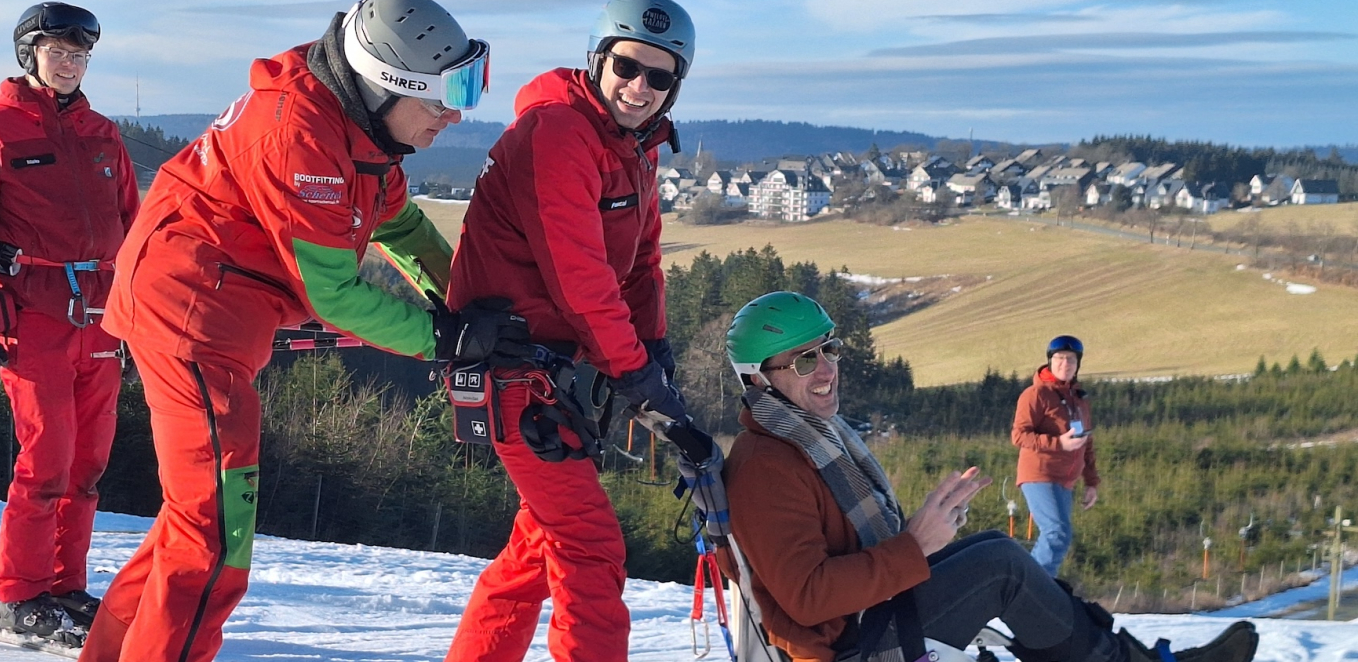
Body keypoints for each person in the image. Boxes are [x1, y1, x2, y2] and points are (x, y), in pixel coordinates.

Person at [78, 2, 522, 661]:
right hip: (190, 315)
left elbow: (398, 226)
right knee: (217, 536)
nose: (456, 114)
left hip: (215, 309)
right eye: (446, 95)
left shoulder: (361, 126)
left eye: (468, 87)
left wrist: (470, 297)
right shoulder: (302, 140)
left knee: (193, 525)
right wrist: (447, 338)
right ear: (385, 84)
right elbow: (334, 294)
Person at [715, 292, 1257, 662]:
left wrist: (922, 537)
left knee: (999, 548)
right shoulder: (767, 466)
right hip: (848, 643)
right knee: (1001, 566)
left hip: (864, 617)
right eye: (804, 360)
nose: (828, 369)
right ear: (758, 379)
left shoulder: (803, 438)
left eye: (829, 348)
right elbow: (808, 597)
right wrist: (914, 543)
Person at [442, 2, 724, 662]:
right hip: (511, 365)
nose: (640, 87)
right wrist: (639, 380)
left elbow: (643, 262)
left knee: (537, 552)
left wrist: (655, 355)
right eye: (627, 66)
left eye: (659, 78)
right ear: (598, 60)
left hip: (555, 371)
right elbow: (580, 278)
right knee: (590, 546)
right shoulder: (560, 133)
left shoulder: (634, 147)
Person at [0, 1, 136, 639]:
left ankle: (64, 585)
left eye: (80, 55)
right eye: (58, 51)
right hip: (34, 313)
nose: (71, 64)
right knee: (46, 460)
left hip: (103, 316)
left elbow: (135, 230)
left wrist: (145, 309)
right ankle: (18, 595)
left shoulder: (103, 134)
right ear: (30, 54)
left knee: (88, 465)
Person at [1014, 334, 1098, 576]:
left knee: (1060, 536)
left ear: (1078, 364)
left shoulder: (1080, 400)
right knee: (1056, 533)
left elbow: (1087, 442)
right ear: (1050, 361)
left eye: (1070, 360)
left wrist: (1091, 482)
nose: (1065, 364)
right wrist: (1057, 443)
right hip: (1039, 474)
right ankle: (1033, 590)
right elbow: (1019, 436)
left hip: (1065, 480)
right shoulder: (1035, 394)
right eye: (1059, 359)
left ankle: (1037, 587)